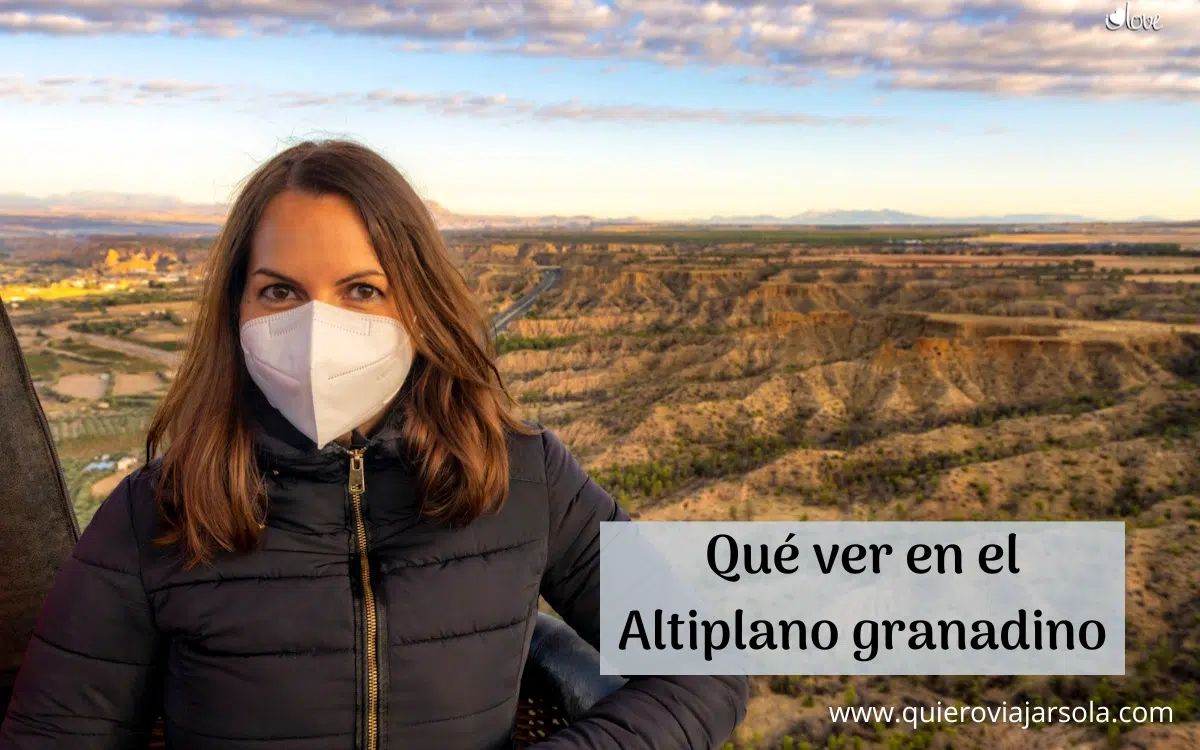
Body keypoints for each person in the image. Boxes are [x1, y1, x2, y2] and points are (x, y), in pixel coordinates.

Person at [0, 140, 748, 749]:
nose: (317, 326)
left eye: (361, 289)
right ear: (237, 312)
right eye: (281, 291)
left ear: (418, 306)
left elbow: (704, 668)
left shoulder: (527, 477)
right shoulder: (157, 512)